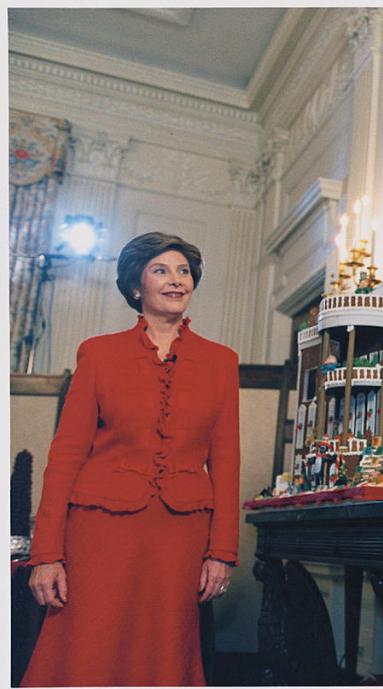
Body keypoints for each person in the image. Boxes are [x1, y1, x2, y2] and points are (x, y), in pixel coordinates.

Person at [23, 232, 241, 686]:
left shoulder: (221, 362)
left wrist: (221, 553)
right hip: (99, 533)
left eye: (184, 271)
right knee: (89, 645)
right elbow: (65, 455)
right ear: (136, 287)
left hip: (179, 537)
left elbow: (227, 461)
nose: (176, 280)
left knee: (164, 653)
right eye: (161, 270)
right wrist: (47, 554)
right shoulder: (99, 353)